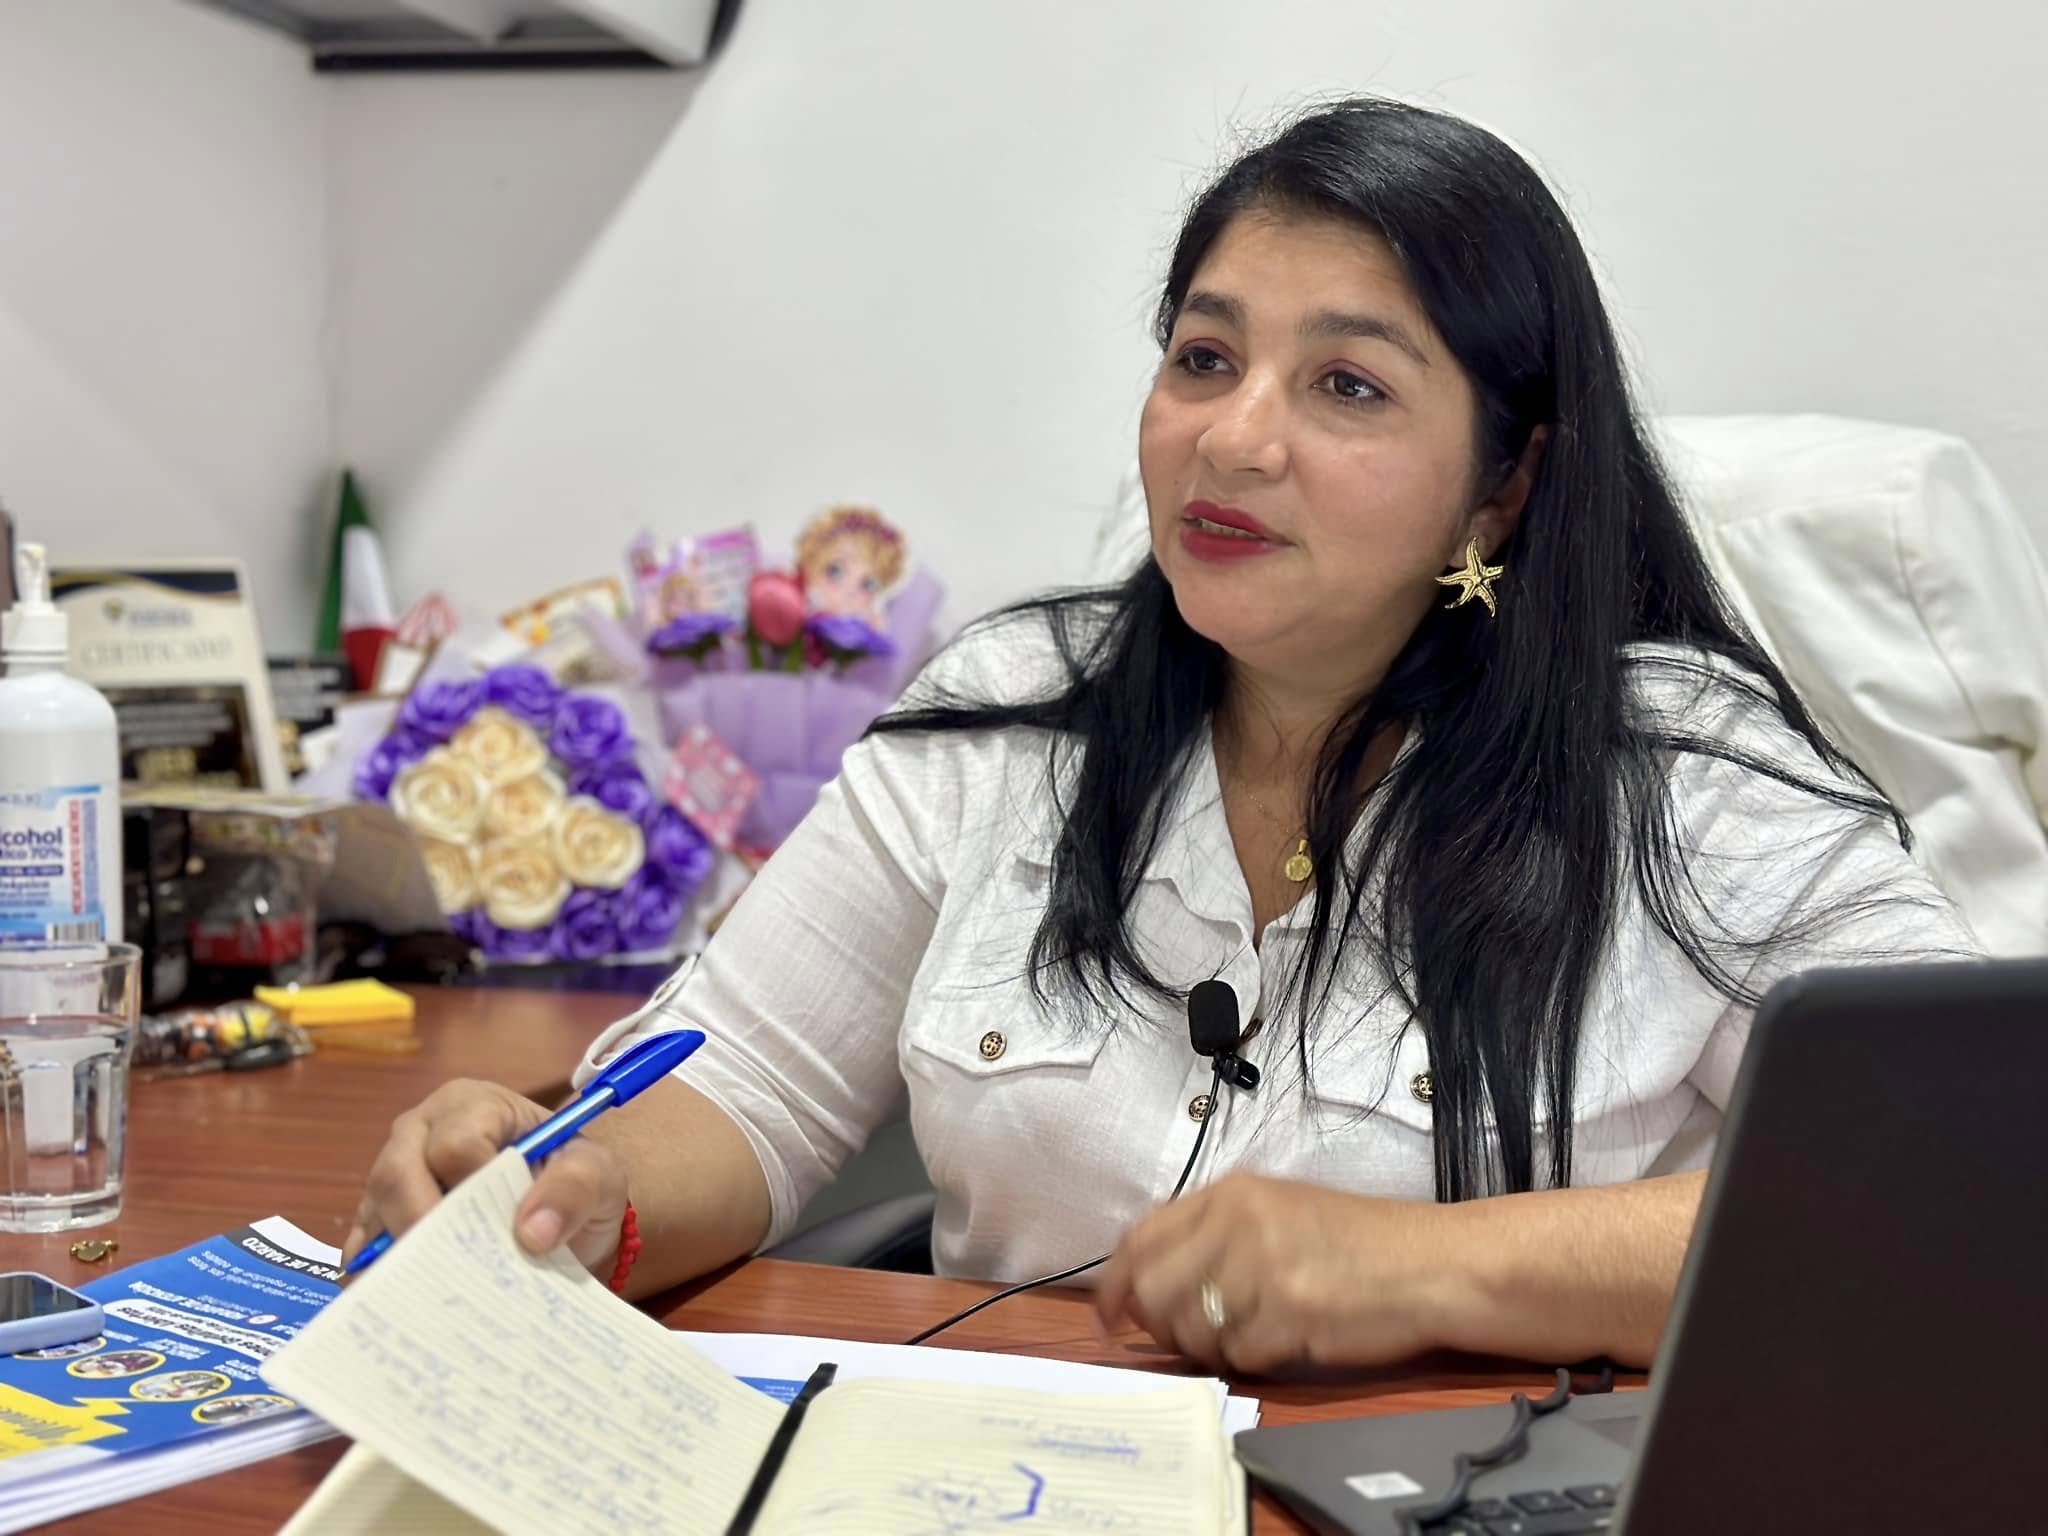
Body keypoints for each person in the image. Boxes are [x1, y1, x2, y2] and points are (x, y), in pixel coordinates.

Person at [346, 98, 1976, 1375]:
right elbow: (752, 1085)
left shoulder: (1683, 780)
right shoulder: (1009, 719)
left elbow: (1966, 1181)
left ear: (1505, 483)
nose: (1234, 436)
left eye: (1347, 386)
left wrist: (1418, 1268)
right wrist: (585, 1190)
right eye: (1205, 357)